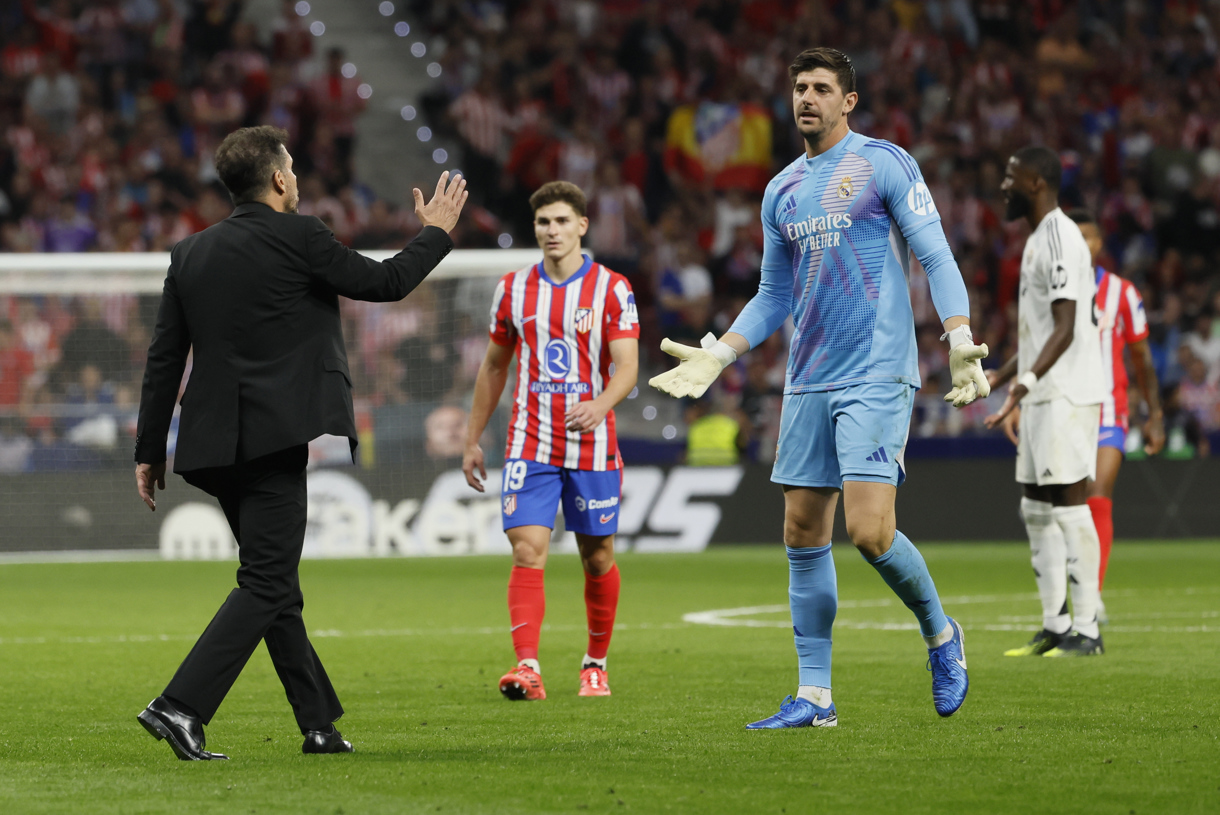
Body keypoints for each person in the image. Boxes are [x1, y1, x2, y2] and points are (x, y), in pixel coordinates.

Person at [649, 48, 988, 728]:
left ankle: (941, 634)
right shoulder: (780, 190)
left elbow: (935, 252)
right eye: (799, 86)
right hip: (808, 378)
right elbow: (773, 293)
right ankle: (815, 696)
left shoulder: (883, 163)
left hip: (876, 368)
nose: (807, 97)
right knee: (803, 531)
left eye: (822, 88)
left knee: (867, 530)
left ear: (848, 101)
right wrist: (720, 353)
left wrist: (958, 337)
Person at [133, 125, 467, 760]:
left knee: (273, 581)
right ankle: (179, 706)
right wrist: (437, 234)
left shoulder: (189, 253)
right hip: (271, 440)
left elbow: (164, 358)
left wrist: (148, 451)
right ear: (280, 178)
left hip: (209, 447)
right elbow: (386, 283)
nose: (296, 176)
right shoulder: (300, 235)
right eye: (291, 166)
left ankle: (318, 725)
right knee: (266, 582)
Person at [462, 181, 639, 701]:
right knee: (527, 549)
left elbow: (627, 367)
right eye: (543, 222)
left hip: (593, 446)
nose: (552, 231)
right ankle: (528, 667)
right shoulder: (513, 289)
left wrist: (601, 404)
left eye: (562, 221)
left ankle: (595, 663)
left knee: (598, 558)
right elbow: (495, 365)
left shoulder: (611, 288)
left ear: (582, 225)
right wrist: (473, 438)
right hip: (530, 442)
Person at [996, 210, 1165, 621]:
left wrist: (1154, 413)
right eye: (1077, 238)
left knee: (1095, 494)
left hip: (1109, 408)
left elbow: (1141, 358)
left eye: (1090, 238)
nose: (1083, 246)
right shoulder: (1055, 291)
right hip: (1061, 404)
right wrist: (1016, 395)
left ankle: (1093, 597)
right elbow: (1037, 346)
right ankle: (1061, 609)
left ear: (1099, 244)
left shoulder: (1123, 293)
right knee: (1052, 506)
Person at [984, 146, 1106, 658]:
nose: (1005, 186)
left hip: (1067, 393)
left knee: (1069, 507)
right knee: (1035, 507)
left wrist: (1025, 383)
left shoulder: (1059, 238)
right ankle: (1055, 625)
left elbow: (1066, 326)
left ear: (1036, 183)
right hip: (1042, 390)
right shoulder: (1038, 239)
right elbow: (1038, 338)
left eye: (1012, 177)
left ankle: (1088, 631)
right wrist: (1002, 377)